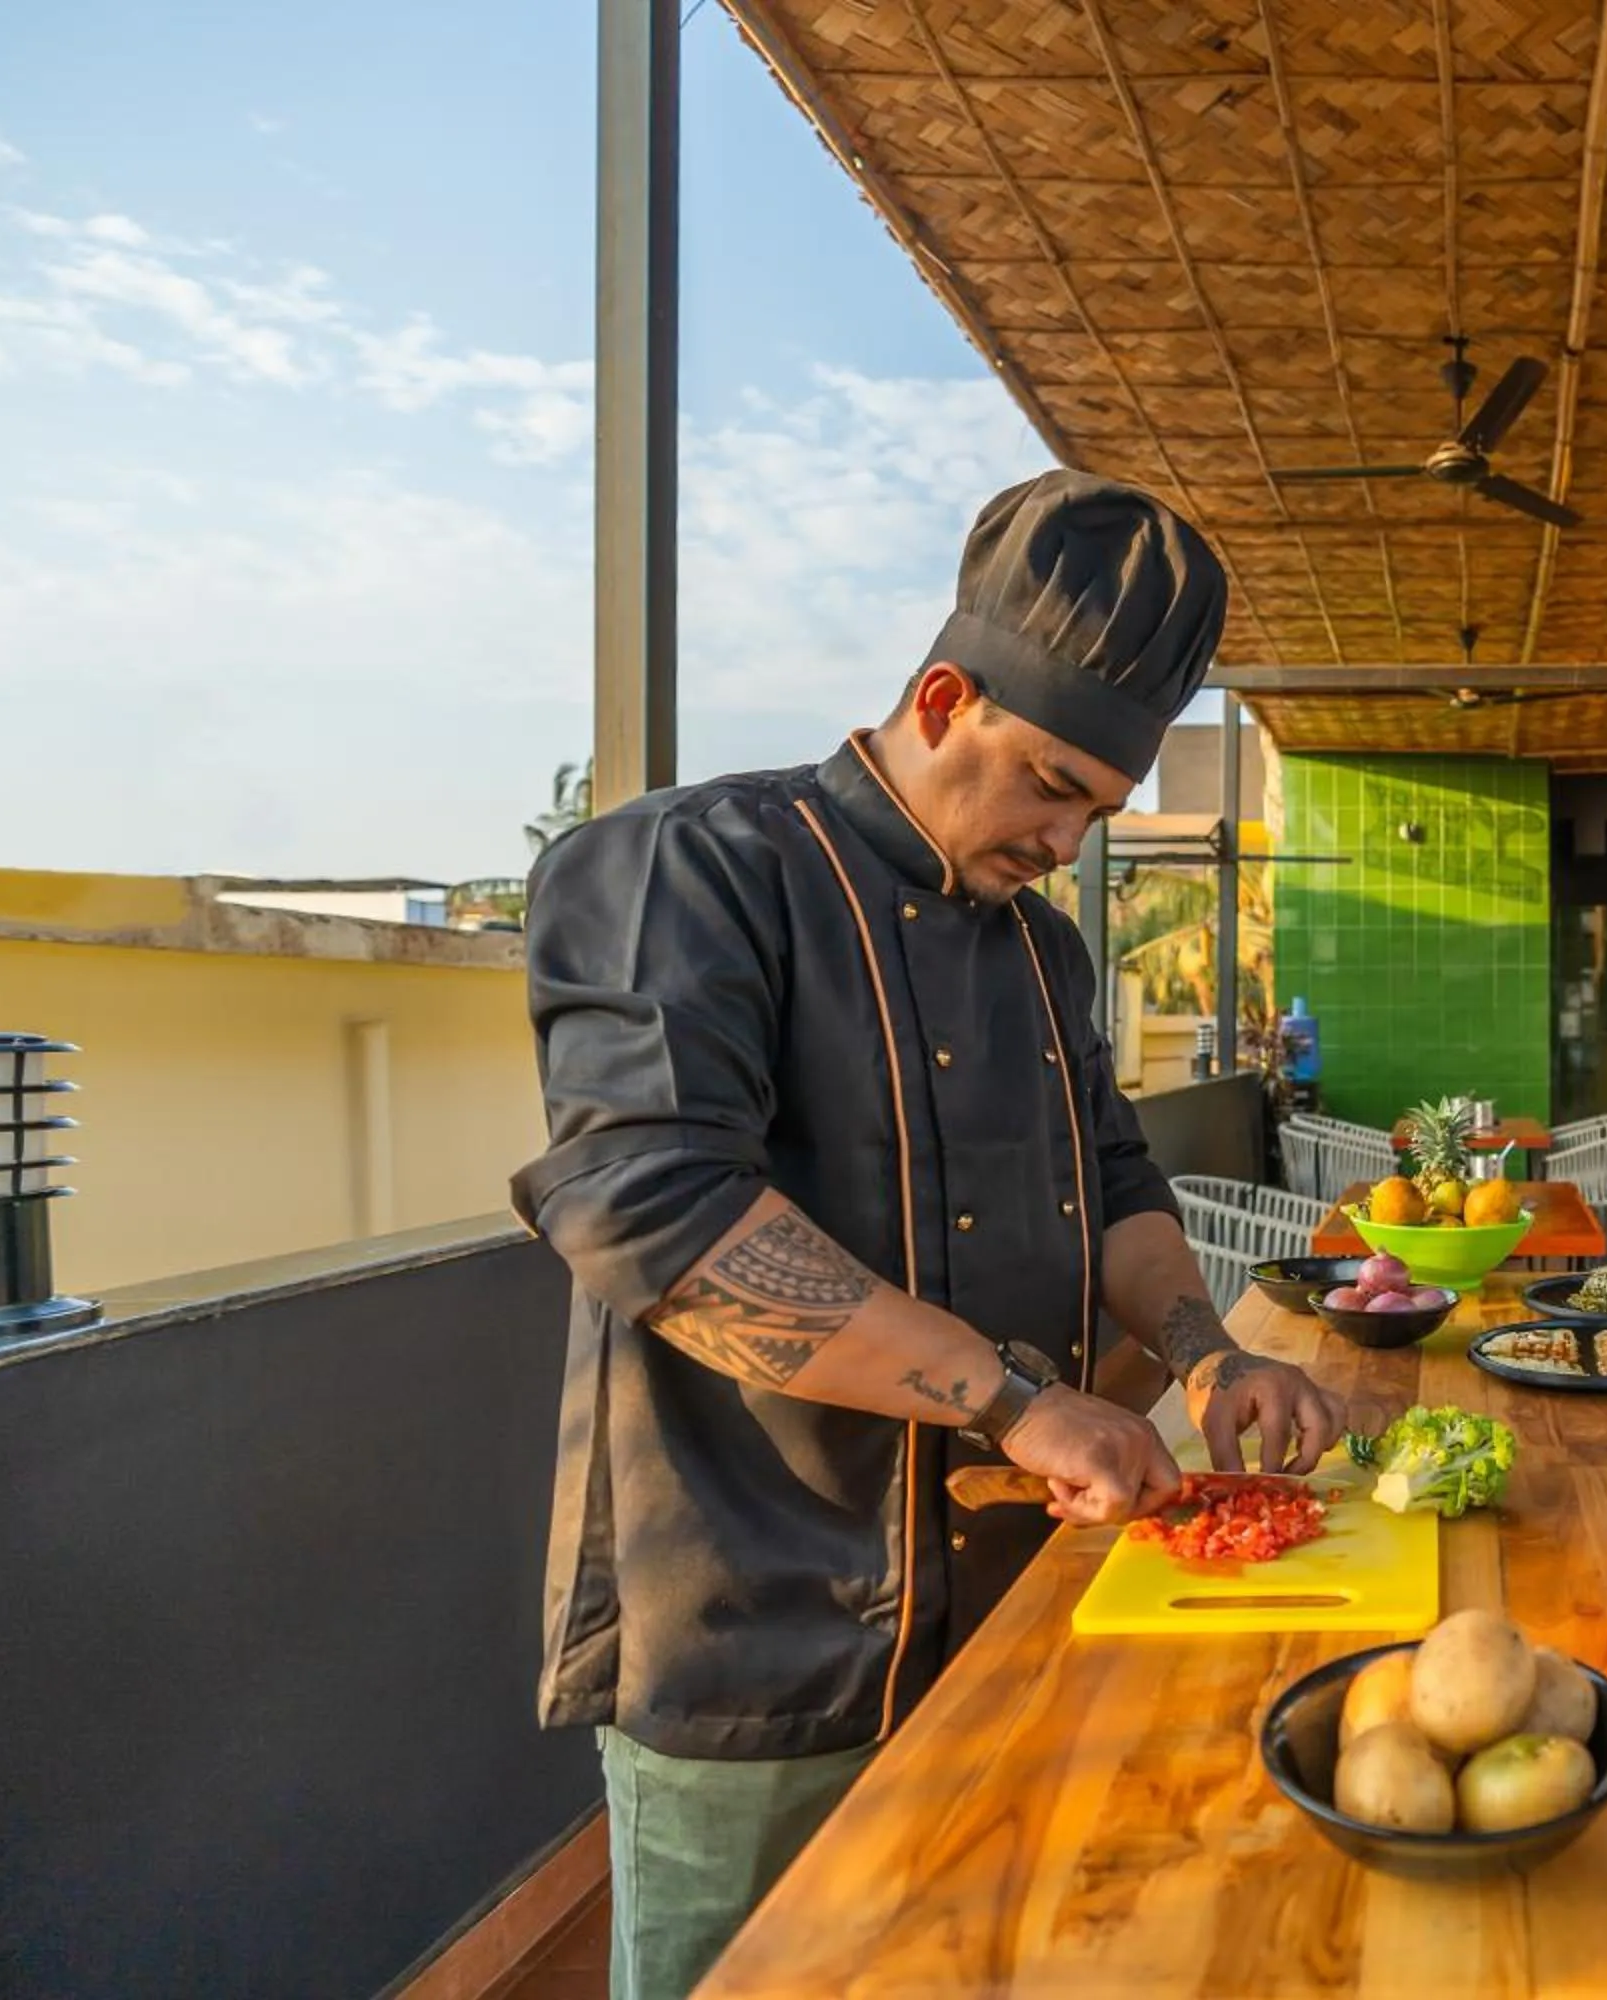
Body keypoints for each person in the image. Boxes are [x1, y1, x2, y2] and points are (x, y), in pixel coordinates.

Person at [511, 471, 1346, 2000]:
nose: (1066, 839)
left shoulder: (1046, 947)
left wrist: (1209, 1353)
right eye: (1048, 785)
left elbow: (1119, 1179)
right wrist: (1025, 1405)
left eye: (1095, 809)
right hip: (760, 1643)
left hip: (1011, 1611)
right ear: (945, 697)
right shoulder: (690, 868)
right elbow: (657, 1213)